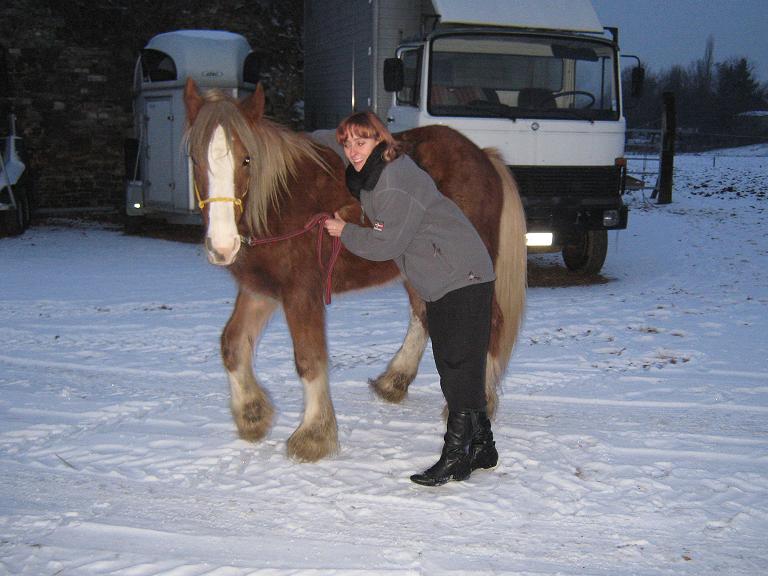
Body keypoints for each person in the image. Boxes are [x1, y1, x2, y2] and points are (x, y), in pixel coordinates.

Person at [323, 111, 498, 486]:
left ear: (380, 141)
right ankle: (483, 446)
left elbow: (387, 243)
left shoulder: (394, 181)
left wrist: (345, 231)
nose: (353, 151)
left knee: (457, 368)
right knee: (456, 362)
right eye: (347, 144)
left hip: (460, 274)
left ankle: (455, 457)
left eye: (361, 142)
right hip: (443, 274)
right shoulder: (373, 177)